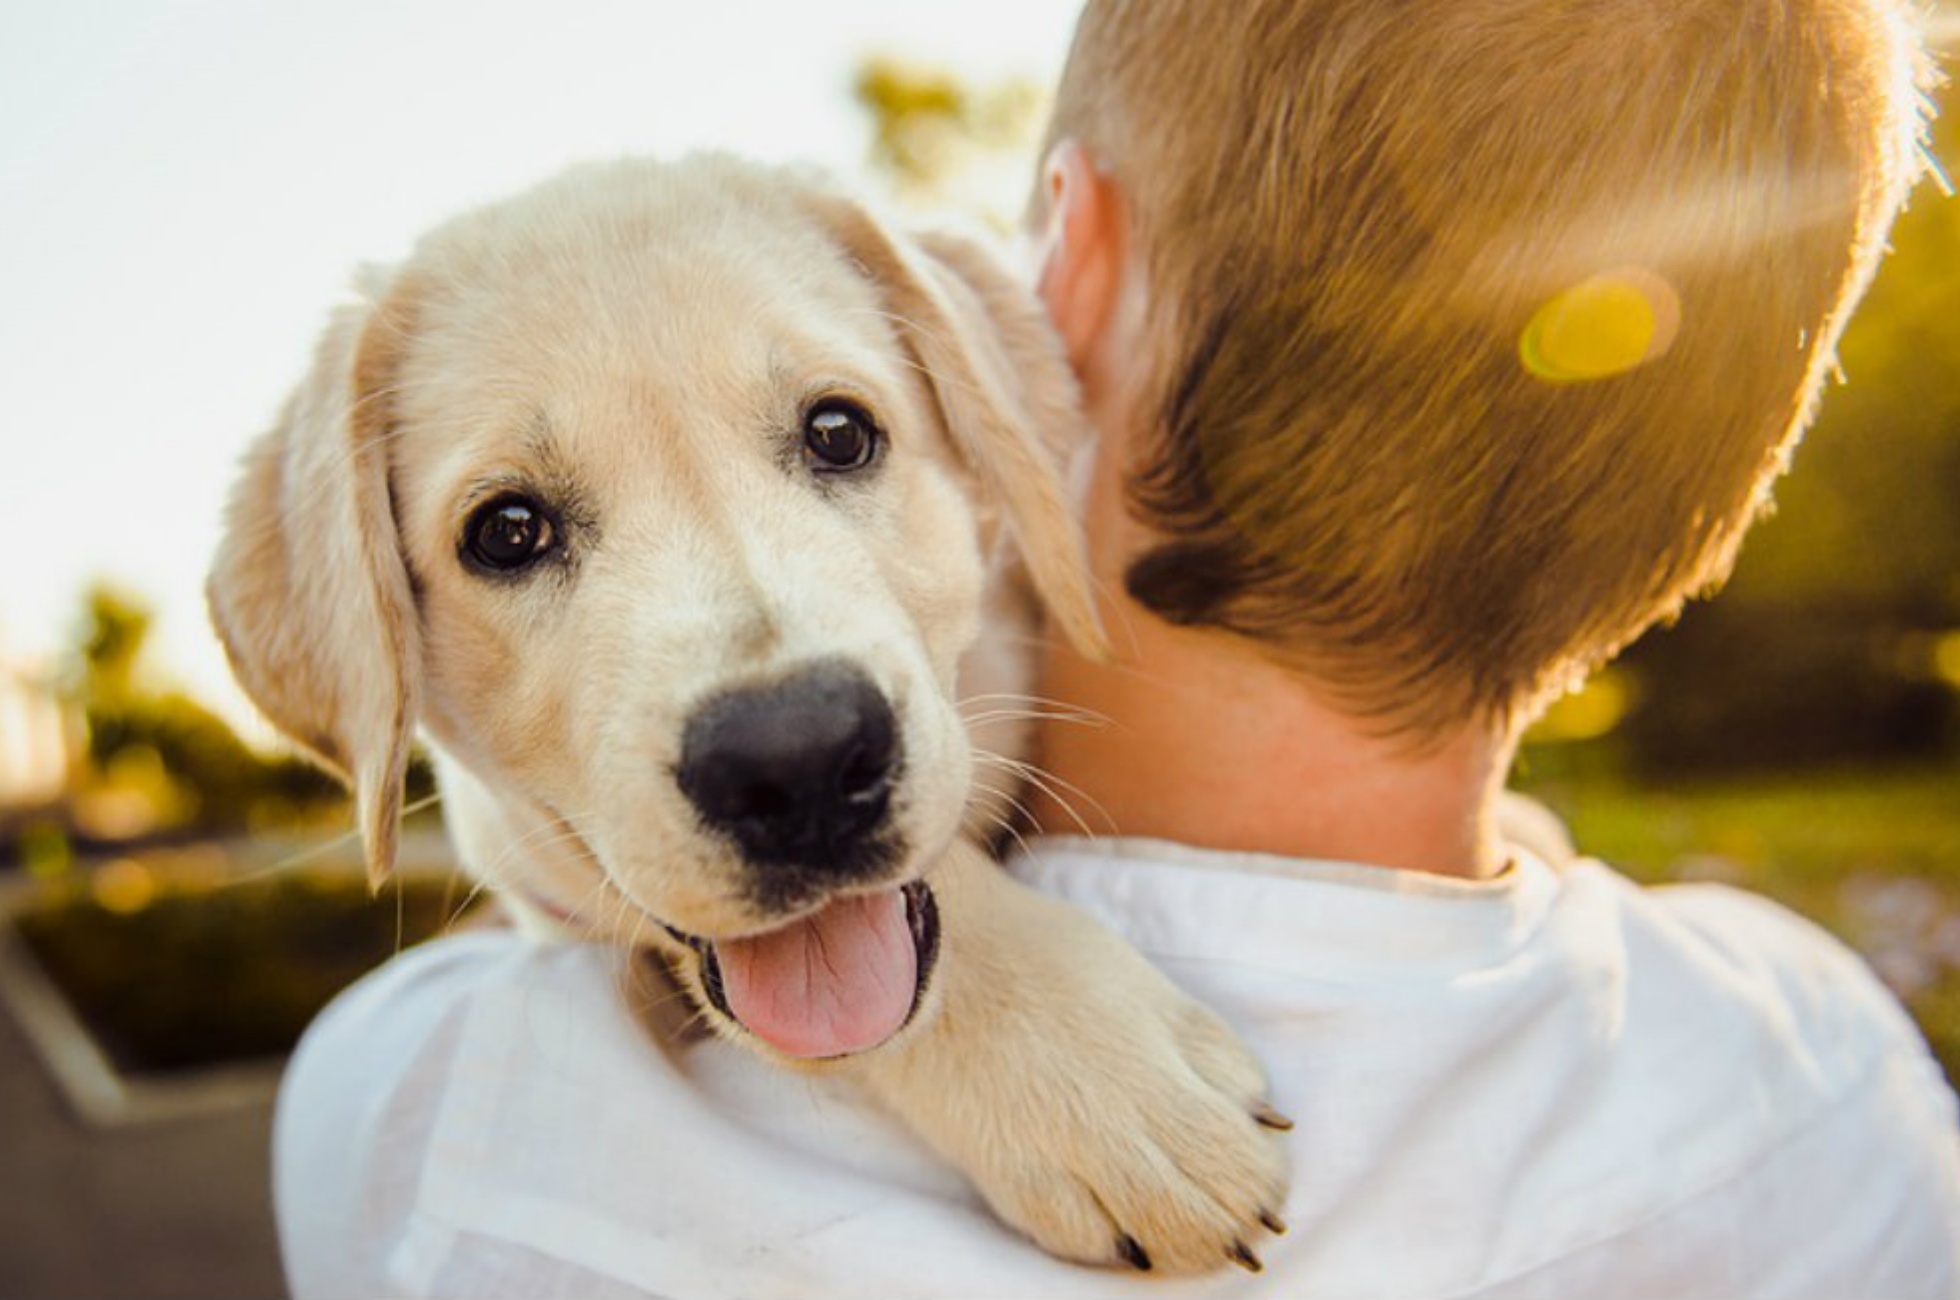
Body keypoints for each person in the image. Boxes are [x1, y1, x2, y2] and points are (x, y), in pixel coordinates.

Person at [274, 0, 1960, 1295]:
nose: (776, 697)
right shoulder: (1837, 1079)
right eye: (517, 535)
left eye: (837, 437)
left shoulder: (427, 1125)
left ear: (1049, 297)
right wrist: (963, 981)